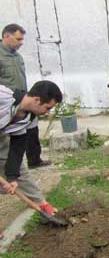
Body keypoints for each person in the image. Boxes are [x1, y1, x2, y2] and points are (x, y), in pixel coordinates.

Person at [0, 80, 63, 216]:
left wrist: (12, 178)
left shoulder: (28, 118)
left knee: (20, 171)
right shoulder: (2, 96)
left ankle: (41, 204)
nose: (47, 112)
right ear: (36, 99)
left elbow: (17, 148)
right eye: (47, 108)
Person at [0, 23, 51, 169]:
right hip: (6, 102)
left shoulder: (18, 57)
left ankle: (34, 160)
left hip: (24, 98)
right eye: (18, 39)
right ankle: (10, 166)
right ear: (6, 36)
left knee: (32, 127)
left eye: (22, 39)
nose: (21, 43)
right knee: (11, 135)